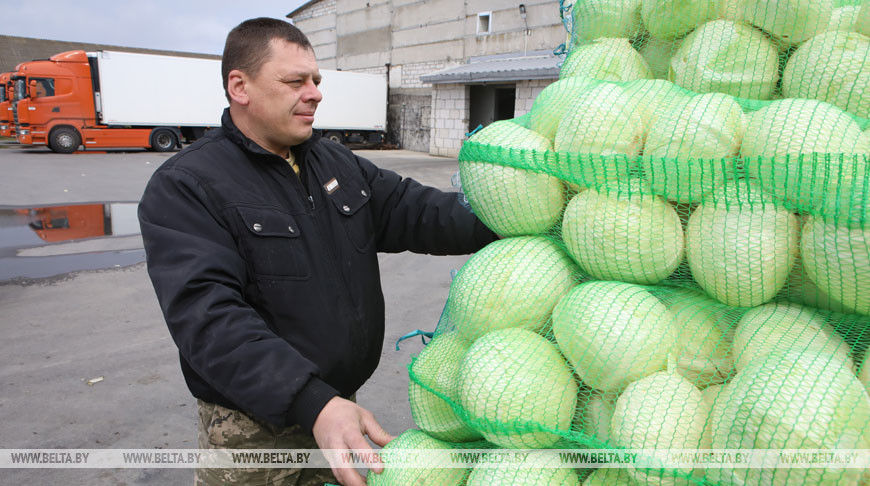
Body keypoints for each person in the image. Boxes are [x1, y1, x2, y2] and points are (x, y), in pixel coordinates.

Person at [138, 17, 498, 486]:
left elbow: (418, 211)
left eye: (316, 81)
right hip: (256, 438)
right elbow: (210, 320)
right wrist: (313, 402)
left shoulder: (333, 161)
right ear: (239, 86)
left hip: (338, 413)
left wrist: (514, 218)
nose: (314, 93)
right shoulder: (187, 186)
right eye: (295, 81)